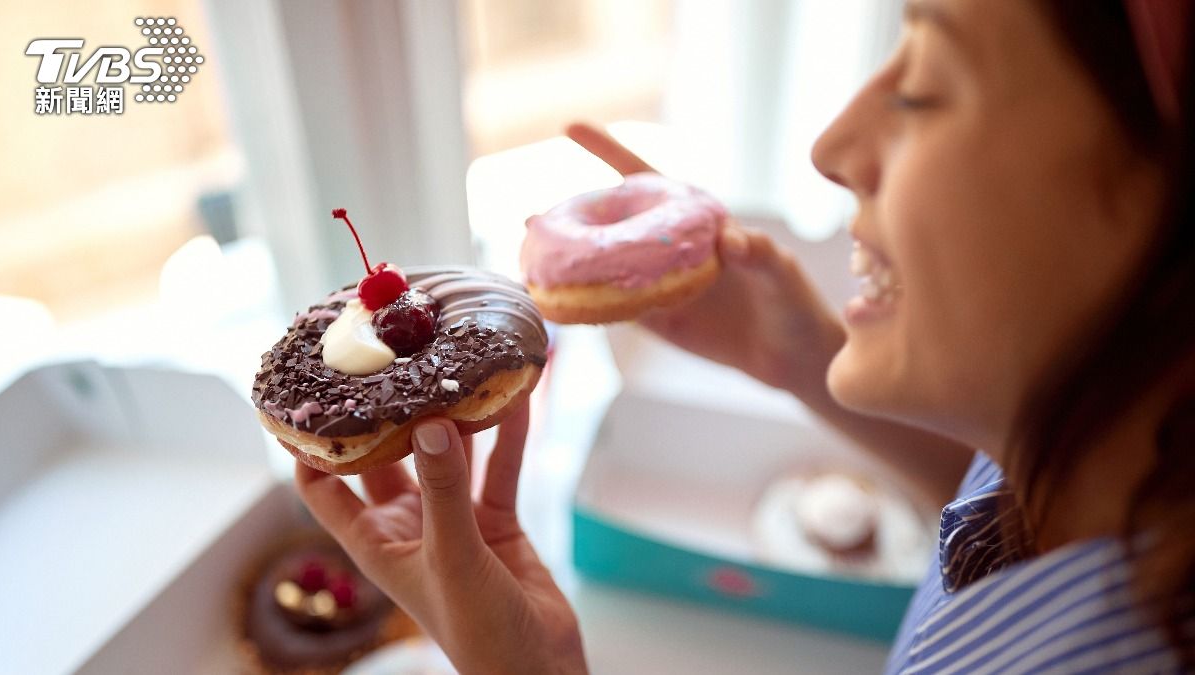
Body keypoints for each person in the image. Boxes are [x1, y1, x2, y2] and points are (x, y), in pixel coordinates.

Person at [294, 0, 1195, 672]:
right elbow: (1021, 503)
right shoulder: (1112, 464)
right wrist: (797, 359)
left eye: (926, 87)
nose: (832, 146)